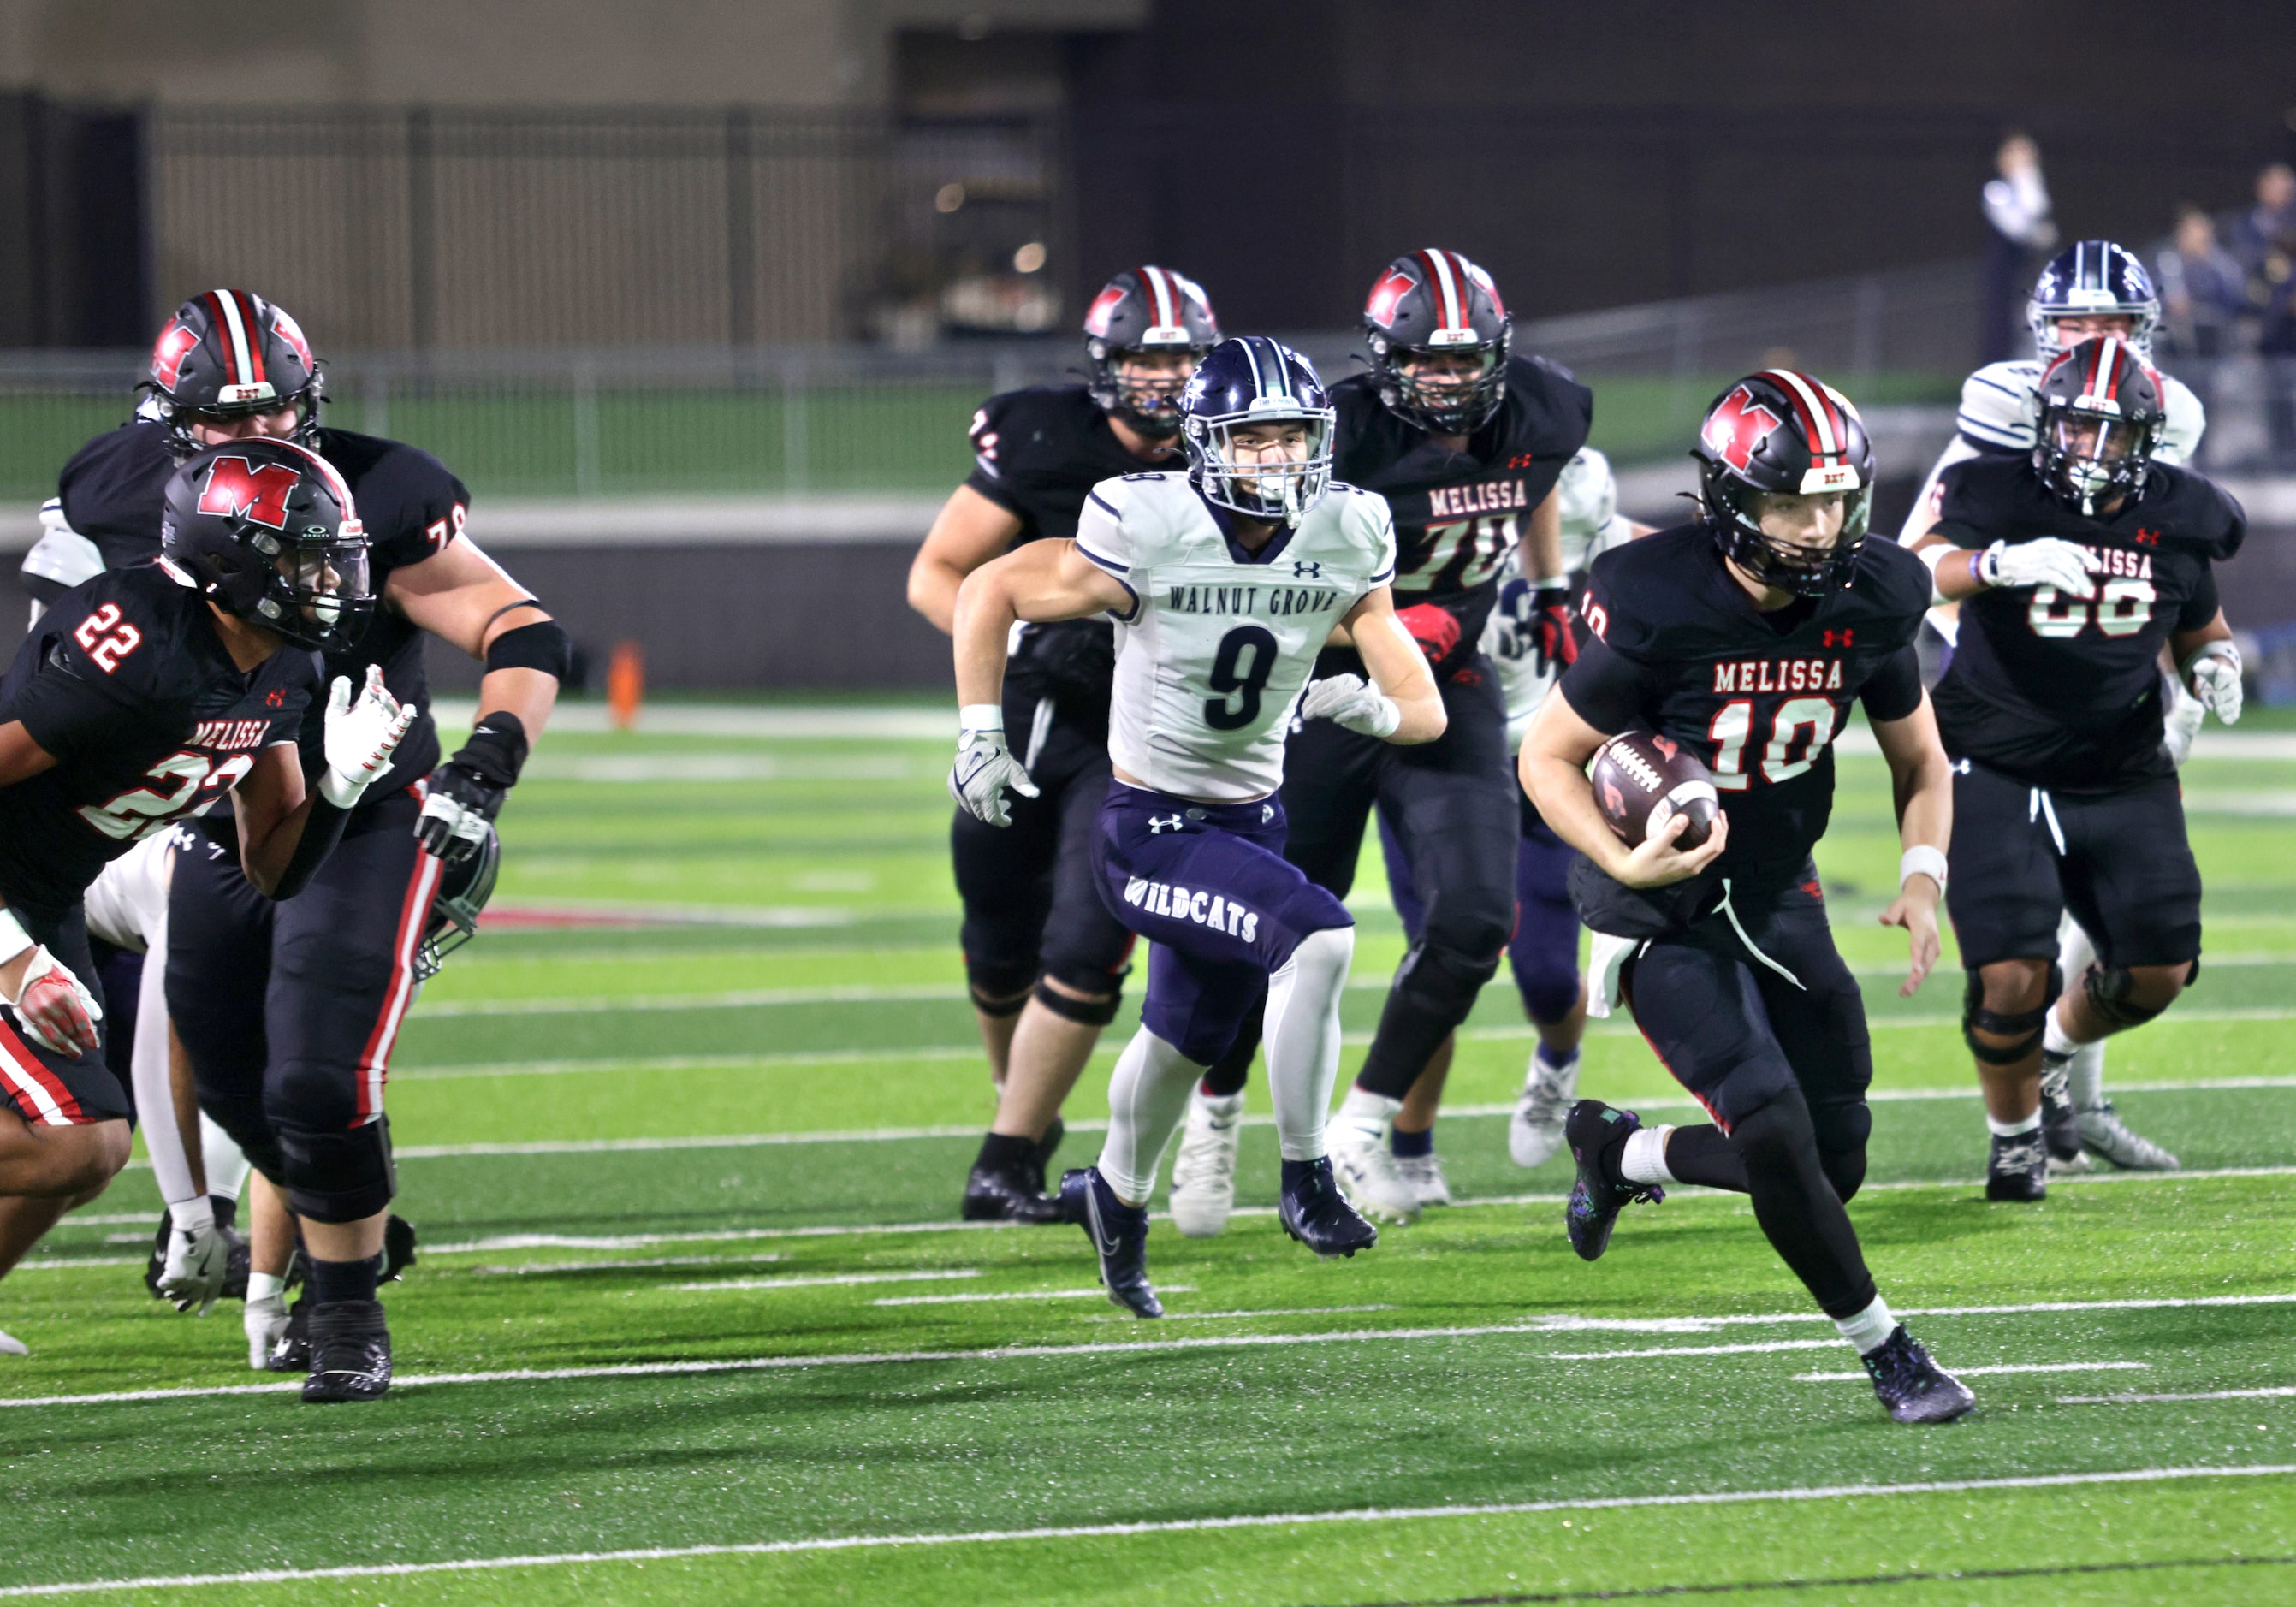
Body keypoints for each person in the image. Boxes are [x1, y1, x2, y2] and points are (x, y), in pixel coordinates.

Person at [48, 289, 570, 1399]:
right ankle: (347, 1216)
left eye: (275, 414)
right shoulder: (123, 488)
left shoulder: (379, 492)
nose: (257, 440)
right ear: (172, 420)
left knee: (318, 1071)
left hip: (370, 797)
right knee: (231, 1069)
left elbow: (519, 626)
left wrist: (488, 761)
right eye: (227, 422)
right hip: (229, 791)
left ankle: (344, 1313)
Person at [947, 335, 1443, 1318]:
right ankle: (1305, 1176)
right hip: (1149, 826)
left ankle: (1114, 1199)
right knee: (1320, 939)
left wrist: (1364, 707)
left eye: (1293, 439)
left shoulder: (1344, 531)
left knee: (1184, 1039)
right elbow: (987, 585)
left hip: (1252, 820)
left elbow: (1423, 711)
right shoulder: (1148, 521)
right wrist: (978, 735)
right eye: (1252, 440)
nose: (1277, 460)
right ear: (1205, 446)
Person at [1522, 370, 1973, 1425]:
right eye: (1788, 503)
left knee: (1834, 1161)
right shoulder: (1656, 594)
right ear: (1730, 498)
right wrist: (1621, 865)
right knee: (1769, 1128)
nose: (1816, 527)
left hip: (1778, 888)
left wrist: (1921, 878)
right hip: (1661, 905)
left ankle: (1621, 1152)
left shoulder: (1876, 594)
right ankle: (1889, 1352)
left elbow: (1923, 763)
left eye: (1832, 501)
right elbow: (1546, 759)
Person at [1177, 251, 1591, 1230]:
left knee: (1474, 921)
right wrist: (1376, 627)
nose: (1449, 381)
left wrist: (1551, 584)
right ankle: (1215, 1112)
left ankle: (1359, 1130)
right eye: (1427, 363)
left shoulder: (1545, 409)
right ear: (1383, 359)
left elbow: (1532, 486)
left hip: (1446, 691)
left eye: (1465, 362)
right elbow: (1253, 587)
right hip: (1317, 691)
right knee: (1265, 930)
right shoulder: (1337, 434)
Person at [0, 440, 411, 1360]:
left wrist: (338, 793)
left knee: (82, 1150)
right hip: (10, 899)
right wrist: (14, 957)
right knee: (77, 1142)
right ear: (230, 556)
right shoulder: (134, 638)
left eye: (333, 555)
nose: (329, 577)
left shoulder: (279, 668)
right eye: (305, 555)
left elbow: (273, 867)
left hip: (44, 893)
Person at [907, 267, 1221, 1223]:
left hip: (1153, 728)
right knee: (997, 940)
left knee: (1089, 944)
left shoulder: (1242, 446)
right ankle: (1024, 1121)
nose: (1166, 377)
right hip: (1046, 705)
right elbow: (941, 572)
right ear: (1108, 364)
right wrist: (1002, 646)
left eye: (1182, 357)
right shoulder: (1046, 440)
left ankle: (1002, 1157)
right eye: (1146, 356)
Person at [1911, 337, 2243, 1204]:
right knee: (2012, 972)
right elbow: (1916, 569)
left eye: (2110, 435)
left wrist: (2215, 662)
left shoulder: (2183, 509)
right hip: (1995, 753)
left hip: (2120, 762)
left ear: (2145, 439)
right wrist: (1994, 565)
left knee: (2159, 969)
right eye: (2073, 429)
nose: (2089, 452)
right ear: (2043, 426)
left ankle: (2052, 1056)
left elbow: (2194, 610)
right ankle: (2015, 1138)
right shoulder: (1994, 490)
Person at [1356, 449, 1651, 1207]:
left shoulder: (1633, 559)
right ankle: (1410, 1146)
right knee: (1436, 958)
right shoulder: (1450, 547)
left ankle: (1557, 1064)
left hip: (1558, 770)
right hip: (1455, 760)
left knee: (1550, 975)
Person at [1979, 133, 2057, 365]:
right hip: (2005, 274)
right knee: (2002, 327)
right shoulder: (1996, 191)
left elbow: (2040, 208)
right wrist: (2024, 178)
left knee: (2035, 324)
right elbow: (2019, 226)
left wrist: (2029, 178)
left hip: (2031, 270)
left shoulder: (2034, 186)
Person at [2155, 206, 2250, 359]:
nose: (2197, 237)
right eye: (2191, 232)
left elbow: (2237, 296)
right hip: (2175, 344)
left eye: (2202, 230)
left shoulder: (2222, 264)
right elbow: (2162, 299)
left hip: (2219, 339)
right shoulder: (2168, 262)